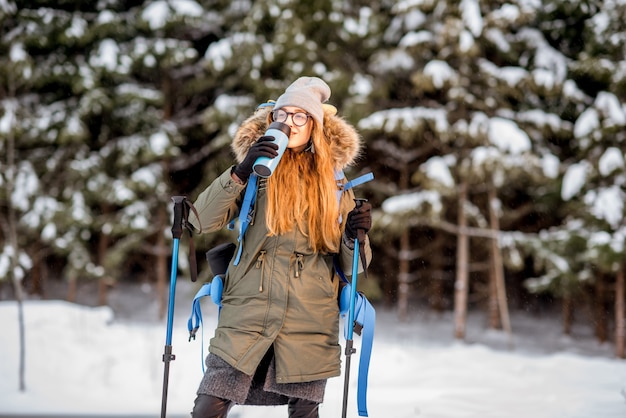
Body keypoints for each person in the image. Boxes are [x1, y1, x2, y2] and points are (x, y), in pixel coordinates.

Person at [189, 76, 372, 418]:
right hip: (247, 310)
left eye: (299, 116)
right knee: (208, 406)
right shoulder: (257, 170)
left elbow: (354, 267)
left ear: (314, 124)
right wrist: (241, 172)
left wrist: (353, 235)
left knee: (304, 413)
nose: (289, 122)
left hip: (310, 316)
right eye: (282, 114)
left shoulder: (335, 183)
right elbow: (200, 221)